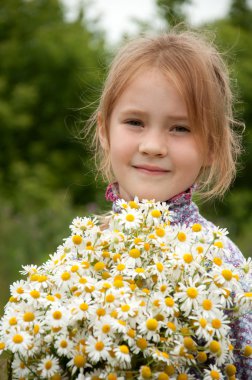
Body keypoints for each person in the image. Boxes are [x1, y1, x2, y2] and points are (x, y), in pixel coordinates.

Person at [86, 29, 251, 378]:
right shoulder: (82, 255)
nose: (153, 145)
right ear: (105, 130)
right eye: (135, 122)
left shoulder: (221, 265)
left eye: (180, 128)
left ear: (211, 145)